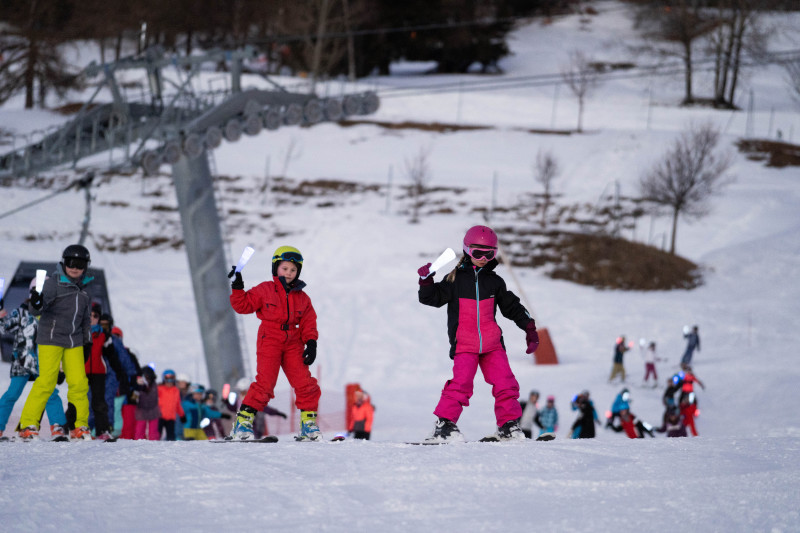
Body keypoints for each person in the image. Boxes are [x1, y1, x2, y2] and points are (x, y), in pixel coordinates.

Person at [417, 225, 539, 442]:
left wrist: (529, 327)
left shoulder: (494, 281)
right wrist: (426, 282)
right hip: (464, 345)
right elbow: (431, 298)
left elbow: (512, 306)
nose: (483, 258)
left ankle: (508, 426)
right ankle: (444, 425)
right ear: (467, 250)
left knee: (506, 383)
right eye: (477, 252)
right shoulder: (454, 281)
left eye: (489, 253)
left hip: (492, 345)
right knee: (461, 384)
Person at [227, 246, 321, 441]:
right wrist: (237, 287)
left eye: (293, 270)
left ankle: (308, 425)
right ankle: (242, 424)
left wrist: (311, 343)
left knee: (305, 383)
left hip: (294, 342)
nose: (289, 273)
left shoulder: (302, 298)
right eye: (285, 268)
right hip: (270, 338)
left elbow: (308, 322)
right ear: (276, 268)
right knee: (265, 383)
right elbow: (243, 306)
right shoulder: (265, 290)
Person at [18, 244, 94, 441]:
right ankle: (28, 424)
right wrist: (36, 302)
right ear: (64, 263)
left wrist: (87, 343)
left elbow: (85, 321)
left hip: (74, 342)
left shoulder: (84, 291)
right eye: (71, 263)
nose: (75, 268)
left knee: (79, 383)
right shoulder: (53, 283)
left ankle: (80, 425)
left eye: (79, 264)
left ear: (86, 266)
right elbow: (37, 310)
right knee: (46, 381)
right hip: (51, 339)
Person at [0, 280, 68, 441]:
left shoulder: (52, 315)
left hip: (44, 362)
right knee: (12, 394)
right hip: (22, 361)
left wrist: (60, 365)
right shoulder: (22, 312)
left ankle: (58, 427)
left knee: (50, 393)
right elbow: (3, 327)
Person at [85, 310, 128, 440]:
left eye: (95, 315)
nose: (93, 318)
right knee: (80, 400)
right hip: (82, 371)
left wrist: (120, 371)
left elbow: (112, 355)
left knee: (100, 402)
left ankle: (102, 429)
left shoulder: (104, 335)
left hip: (99, 372)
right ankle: (75, 427)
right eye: (90, 315)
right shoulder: (80, 332)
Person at [223, 377, 287, 439]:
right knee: (241, 422)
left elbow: (266, 409)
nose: (241, 393)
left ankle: (254, 436)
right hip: (243, 423)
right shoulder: (239, 400)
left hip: (255, 424)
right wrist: (227, 403)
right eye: (240, 391)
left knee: (254, 419)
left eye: (243, 391)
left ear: (247, 390)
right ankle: (240, 435)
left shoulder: (254, 399)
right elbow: (234, 408)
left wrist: (279, 413)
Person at [133, 366, 161, 440]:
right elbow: (133, 398)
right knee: (139, 430)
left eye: (148, 377)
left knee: (153, 431)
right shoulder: (138, 386)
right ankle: (138, 444)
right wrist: (137, 388)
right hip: (141, 410)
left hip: (153, 410)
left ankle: (153, 444)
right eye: (144, 377)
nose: (146, 379)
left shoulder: (155, 385)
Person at [157, 368, 186, 440]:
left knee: (171, 437)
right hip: (160, 416)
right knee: (157, 434)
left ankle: (170, 450)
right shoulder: (159, 389)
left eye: (171, 378)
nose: (169, 382)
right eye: (167, 379)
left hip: (171, 418)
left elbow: (177, 404)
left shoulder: (176, 390)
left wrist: (182, 415)